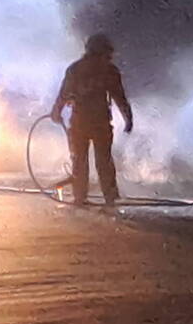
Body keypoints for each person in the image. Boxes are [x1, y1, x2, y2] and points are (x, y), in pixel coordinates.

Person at [51, 33, 133, 205]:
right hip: (99, 123)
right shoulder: (109, 70)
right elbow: (119, 97)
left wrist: (57, 111)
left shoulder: (76, 69)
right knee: (103, 161)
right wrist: (128, 118)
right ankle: (109, 197)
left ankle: (80, 197)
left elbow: (64, 95)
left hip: (81, 122)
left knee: (80, 161)